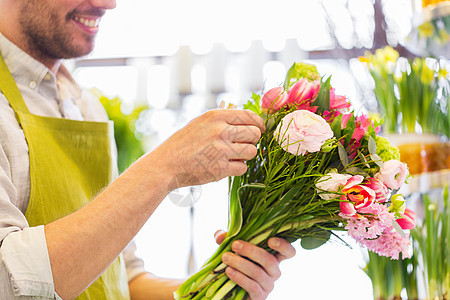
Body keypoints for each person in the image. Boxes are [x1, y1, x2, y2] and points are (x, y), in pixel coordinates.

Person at [0, 0, 296, 299]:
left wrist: (220, 283)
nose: (108, 4)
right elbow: (6, 280)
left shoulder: (87, 108)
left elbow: (122, 277)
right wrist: (165, 165)